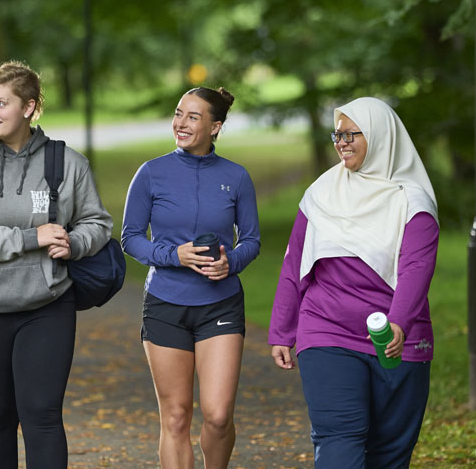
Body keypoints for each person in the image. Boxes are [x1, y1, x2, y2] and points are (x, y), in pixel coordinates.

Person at [0, 60, 112, 469]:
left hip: (47, 306)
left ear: (29, 108)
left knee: (43, 417)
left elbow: (97, 223)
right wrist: (29, 238)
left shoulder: (67, 162)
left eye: (2, 103)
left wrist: (74, 243)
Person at [268, 97, 439, 469]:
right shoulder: (320, 193)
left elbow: (416, 268)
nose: (341, 142)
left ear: (379, 136)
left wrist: (398, 323)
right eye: (337, 134)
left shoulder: (412, 201)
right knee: (338, 440)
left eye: (350, 134)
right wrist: (283, 330)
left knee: (390, 453)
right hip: (326, 329)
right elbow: (294, 263)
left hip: (396, 339)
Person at [122, 87, 260, 468]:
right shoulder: (151, 173)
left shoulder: (236, 177)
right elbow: (130, 239)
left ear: (215, 127)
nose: (180, 123)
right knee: (177, 417)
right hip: (165, 304)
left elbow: (251, 240)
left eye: (193, 117)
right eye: (179, 113)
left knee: (217, 416)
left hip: (221, 303)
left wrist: (230, 263)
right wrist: (173, 256)